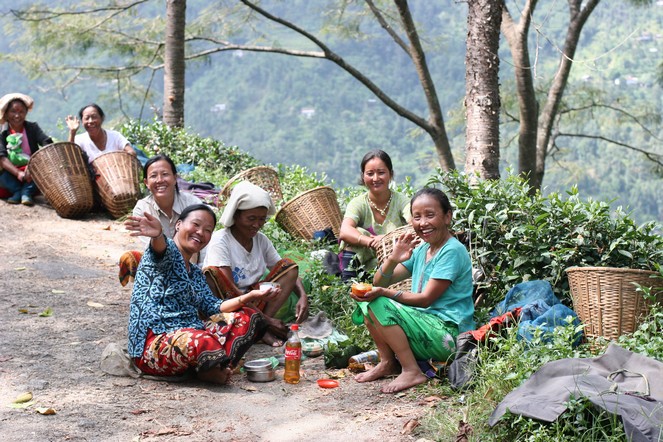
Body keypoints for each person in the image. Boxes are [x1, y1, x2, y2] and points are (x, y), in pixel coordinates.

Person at [125, 204, 271, 384]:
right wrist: (157, 234)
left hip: (190, 334)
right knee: (201, 341)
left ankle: (211, 366)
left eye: (208, 230)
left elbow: (213, 306)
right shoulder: (167, 250)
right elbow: (160, 247)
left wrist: (248, 297)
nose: (201, 232)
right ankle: (211, 367)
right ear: (178, 225)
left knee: (248, 317)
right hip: (153, 343)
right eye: (196, 224)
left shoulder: (195, 273)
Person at [350, 188, 475, 393]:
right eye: (417, 217)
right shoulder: (423, 249)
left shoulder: (452, 250)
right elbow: (379, 280)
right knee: (366, 299)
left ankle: (411, 370)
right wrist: (392, 258)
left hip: (449, 335)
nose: (423, 223)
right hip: (425, 326)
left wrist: (383, 293)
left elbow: (425, 299)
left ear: (447, 217)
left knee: (379, 301)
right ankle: (388, 362)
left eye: (430, 215)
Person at [203, 181, 309, 347]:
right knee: (212, 273)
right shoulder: (221, 240)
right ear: (236, 216)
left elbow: (286, 270)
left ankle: (258, 327)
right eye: (251, 218)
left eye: (261, 219)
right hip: (228, 303)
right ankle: (261, 328)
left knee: (289, 266)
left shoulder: (261, 240)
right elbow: (229, 290)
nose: (256, 225)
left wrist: (303, 295)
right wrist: (267, 321)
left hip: (252, 302)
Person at [338, 150, 410, 281]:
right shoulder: (358, 203)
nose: (375, 178)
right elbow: (345, 231)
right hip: (363, 267)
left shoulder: (402, 201)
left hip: (395, 267)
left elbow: (415, 224)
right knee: (357, 232)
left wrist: (385, 238)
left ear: (391, 174)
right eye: (370, 174)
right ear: (363, 176)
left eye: (381, 172)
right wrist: (370, 241)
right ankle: (348, 284)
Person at [0, 93, 53, 206]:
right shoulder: (2, 133)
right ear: (7, 114)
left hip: (31, 170)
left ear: (26, 113)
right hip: (10, 171)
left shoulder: (32, 128)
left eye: (21, 112)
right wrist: (18, 173)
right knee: (3, 177)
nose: (17, 115)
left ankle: (26, 192)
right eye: (13, 111)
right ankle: (17, 191)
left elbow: (47, 144)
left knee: (40, 174)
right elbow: (2, 158)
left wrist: (33, 165)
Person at [65, 103, 136, 163]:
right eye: (86, 118)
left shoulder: (115, 136)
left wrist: (117, 161)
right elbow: (69, 158)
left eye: (94, 117)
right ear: (82, 122)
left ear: (102, 118)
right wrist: (72, 132)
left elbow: (131, 152)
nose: (90, 121)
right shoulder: (79, 140)